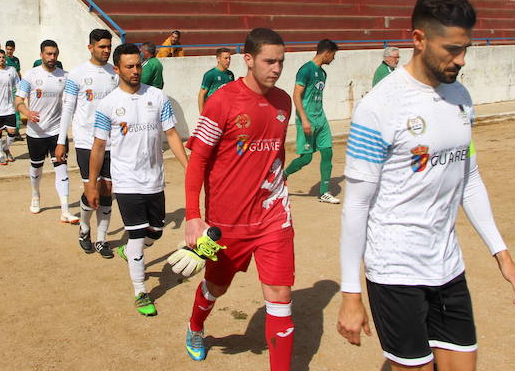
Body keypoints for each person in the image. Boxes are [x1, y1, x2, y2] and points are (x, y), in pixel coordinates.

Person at [336, 0, 515, 370]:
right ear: (418, 39)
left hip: (448, 267)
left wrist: (503, 256)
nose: (460, 60)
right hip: (395, 271)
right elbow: (355, 205)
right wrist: (350, 294)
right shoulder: (378, 108)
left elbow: (469, 178)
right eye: (451, 50)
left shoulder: (462, 97)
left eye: (465, 49)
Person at [181, 28, 295, 369]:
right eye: (269, 61)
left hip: (273, 215)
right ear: (248, 59)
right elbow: (198, 160)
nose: (276, 69)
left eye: (281, 62)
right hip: (224, 225)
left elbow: (275, 156)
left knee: (280, 296)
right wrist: (192, 216)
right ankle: (195, 327)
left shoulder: (283, 102)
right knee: (216, 287)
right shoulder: (222, 102)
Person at [86, 42, 189, 316]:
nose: (135, 71)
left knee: (155, 232)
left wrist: (188, 168)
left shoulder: (158, 97)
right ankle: (140, 290)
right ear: (117, 68)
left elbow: (171, 135)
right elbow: (98, 146)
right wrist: (91, 183)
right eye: (129, 66)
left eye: (138, 65)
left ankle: (132, 253)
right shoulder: (107, 105)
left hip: (155, 179)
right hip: (127, 181)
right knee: (136, 234)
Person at [56, 28, 118, 258]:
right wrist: (62, 141)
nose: (106, 51)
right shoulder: (77, 74)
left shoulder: (115, 73)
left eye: (109, 47)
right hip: (85, 141)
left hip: (111, 142)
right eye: (102, 47)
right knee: (91, 191)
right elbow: (68, 108)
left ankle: (101, 239)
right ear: (90, 47)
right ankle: (84, 229)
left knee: (107, 191)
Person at [15, 39, 79, 223]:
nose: (52, 57)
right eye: (48, 54)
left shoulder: (66, 77)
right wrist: (26, 112)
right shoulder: (31, 75)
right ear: (41, 54)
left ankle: (65, 211)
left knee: (62, 169)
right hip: (35, 133)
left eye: (55, 54)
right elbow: (18, 100)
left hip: (57, 132)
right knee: (36, 167)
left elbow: (72, 101)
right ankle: (35, 195)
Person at [283, 39, 340, 204]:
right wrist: (304, 119)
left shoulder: (323, 73)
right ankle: (282, 176)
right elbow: (296, 95)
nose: (333, 59)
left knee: (327, 152)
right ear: (326, 53)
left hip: (321, 119)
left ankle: (324, 192)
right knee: (306, 158)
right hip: (306, 120)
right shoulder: (306, 70)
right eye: (333, 55)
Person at [198, 47, 234, 113]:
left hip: (226, 111)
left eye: (229, 58)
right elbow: (201, 94)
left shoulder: (230, 74)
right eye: (226, 58)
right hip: (212, 111)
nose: (228, 61)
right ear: (218, 59)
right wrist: (202, 113)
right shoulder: (210, 74)